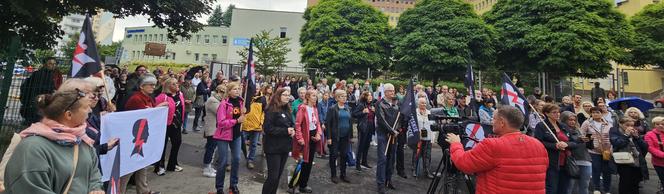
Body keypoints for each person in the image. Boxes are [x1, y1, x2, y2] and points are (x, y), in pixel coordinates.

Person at [4, 86, 103, 194]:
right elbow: (31, 188)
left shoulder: (83, 142)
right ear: (69, 115)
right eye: (86, 107)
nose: (90, 110)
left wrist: (95, 189)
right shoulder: (32, 148)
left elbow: (94, 173)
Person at [446, 106, 548, 193]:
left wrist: (456, 144)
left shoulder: (493, 145)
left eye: (494, 119)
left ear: (502, 123)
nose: (491, 122)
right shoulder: (538, 145)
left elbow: (464, 163)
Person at [121, 73, 163, 194]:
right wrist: (156, 109)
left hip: (143, 134)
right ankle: (119, 191)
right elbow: (140, 115)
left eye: (154, 85)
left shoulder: (149, 98)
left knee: (142, 163)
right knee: (129, 166)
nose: (153, 87)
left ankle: (143, 190)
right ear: (142, 86)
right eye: (150, 85)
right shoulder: (136, 98)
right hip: (134, 136)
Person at [534, 104, 579, 194]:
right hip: (551, 163)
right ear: (546, 113)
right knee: (552, 188)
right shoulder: (541, 126)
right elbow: (538, 142)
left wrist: (566, 144)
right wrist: (555, 146)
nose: (557, 114)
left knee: (563, 189)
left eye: (558, 112)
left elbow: (574, 142)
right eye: (554, 112)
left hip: (566, 163)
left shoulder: (563, 126)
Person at [261, 88, 295, 194]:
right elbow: (268, 128)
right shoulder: (271, 110)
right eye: (284, 95)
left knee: (278, 177)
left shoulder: (287, 109)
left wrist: (292, 130)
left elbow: (290, 124)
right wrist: (286, 131)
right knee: (273, 177)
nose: (287, 97)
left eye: (288, 95)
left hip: (284, 147)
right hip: (273, 147)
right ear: (278, 96)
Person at [213, 82, 244, 194]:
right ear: (229, 91)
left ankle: (233, 185)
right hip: (223, 136)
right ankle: (219, 187)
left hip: (236, 135)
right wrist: (236, 121)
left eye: (239, 89)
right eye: (235, 89)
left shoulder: (241, 102)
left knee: (236, 159)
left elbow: (242, 117)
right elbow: (221, 122)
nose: (237, 91)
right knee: (223, 161)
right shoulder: (224, 104)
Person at [292, 89, 323, 193]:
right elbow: (297, 124)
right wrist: (300, 138)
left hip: (313, 135)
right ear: (308, 97)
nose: (315, 97)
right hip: (305, 136)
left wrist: (318, 133)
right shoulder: (303, 108)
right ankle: (293, 185)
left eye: (316, 96)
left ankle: (303, 185)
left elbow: (317, 123)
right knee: (302, 161)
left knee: (309, 162)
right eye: (313, 95)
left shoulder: (315, 108)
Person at [154, 78, 186, 175]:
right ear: (168, 86)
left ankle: (172, 164)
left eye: (177, 83)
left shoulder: (180, 94)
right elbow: (155, 110)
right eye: (173, 84)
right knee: (162, 145)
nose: (177, 85)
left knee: (177, 142)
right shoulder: (162, 96)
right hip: (165, 124)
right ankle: (159, 166)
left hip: (176, 124)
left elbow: (182, 108)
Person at [374, 83, 402, 193]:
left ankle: (388, 180)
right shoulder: (379, 104)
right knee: (382, 159)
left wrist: (397, 130)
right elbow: (381, 120)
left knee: (391, 159)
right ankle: (380, 184)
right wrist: (391, 131)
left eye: (393, 90)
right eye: (390, 91)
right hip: (383, 135)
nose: (393, 92)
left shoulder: (396, 104)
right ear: (385, 92)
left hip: (393, 136)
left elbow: (399, 119)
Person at [610, 117, 648, 194]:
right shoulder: (614, 131)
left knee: (635, 184)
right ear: (620, 124)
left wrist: (637, 137)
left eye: (632, 125)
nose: (630, 127)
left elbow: (645, 147)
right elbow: (618, 143)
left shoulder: (635, 132)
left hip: (637, 160)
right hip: (623, 161)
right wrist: (626, 135)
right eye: (627, 125)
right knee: (625, 184)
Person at [579, 107, 613, 194]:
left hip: (607, 150)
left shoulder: (608, 123)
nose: (595, 114)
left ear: (601, 113)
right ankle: (596, 188)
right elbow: (581, 135)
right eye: (593, 112)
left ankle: (607, 189)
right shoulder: (587, 123)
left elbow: (611, 136)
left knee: (607, 171)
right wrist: (588, 138)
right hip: (593, 150)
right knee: (596, 169)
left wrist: (611, 149)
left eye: (597, 112)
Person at [19, 57, 62, 125]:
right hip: (37, 101)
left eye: (54, 64)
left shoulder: (50, 74)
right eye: (50, 63)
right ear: (45, 64)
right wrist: (52, 91)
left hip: (39, 101)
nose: (53, 65)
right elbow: (40, 87)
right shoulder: (41, 74)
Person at [325, 89, 354, 184]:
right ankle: (333, 175)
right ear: (337, 98)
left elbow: (350, 123)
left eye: (345, 96)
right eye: (342, 96)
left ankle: (343, 174)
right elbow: (328, 124)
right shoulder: (332, 109)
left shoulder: (348, 108)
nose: (344, 98)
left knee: (344, 155)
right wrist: (328, 137)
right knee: (333, 155)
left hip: (345, 137)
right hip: (334, 137)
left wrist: (351, 136)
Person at [560, 111, 592, 194]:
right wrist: (579, 140)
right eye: (570, 120)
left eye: (574, 120)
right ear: (564, 120)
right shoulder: (561, 131)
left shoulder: (578, 130)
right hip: (571, 160)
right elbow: (566, 144)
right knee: (569, 187)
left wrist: (589, 141)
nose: (573, 122)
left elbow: (585, 145)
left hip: (585, 159)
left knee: (584, 186)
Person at [242, 84, 270, 169]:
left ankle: (250, 160)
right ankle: (238, 158)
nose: (256, 90)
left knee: (253, 144)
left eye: (257, 89)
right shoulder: (246, 96)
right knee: (241, 143)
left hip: (256, 126)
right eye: (254, 89)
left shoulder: (262, 99)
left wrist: (261, 122)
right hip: (245, 125)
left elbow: (264, 112)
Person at [203, 85, 226, 178]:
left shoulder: (217, 100)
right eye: (223, 92)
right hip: (212, 128)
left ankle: (209, 166)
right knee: (210, 148)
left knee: (212, 148)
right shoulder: (212, 100)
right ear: (219, 91)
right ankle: (206, 168)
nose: (224, 95)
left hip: (216, 128)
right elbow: (220, 112)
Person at [412, 97, 434, 178]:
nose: (424, 104)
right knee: (416, 154)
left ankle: (426, 170)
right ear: (418, 104)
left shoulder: (429, 113)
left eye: (425, 103)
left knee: (427, 155)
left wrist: (432, 138)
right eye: (422, 103)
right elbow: (413, 125)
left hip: (428, 137)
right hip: (418, 138)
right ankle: (414, 169)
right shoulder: (415, 112)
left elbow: (433, 125)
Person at [353, 91, 376, 170]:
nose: (370, 97)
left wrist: (374, 111)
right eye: (368, 95)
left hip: (370, 126)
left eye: (371, 95)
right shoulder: (361, 104)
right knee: (361, 146)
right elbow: (354, 114)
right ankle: (357, 163)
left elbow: (373, 116)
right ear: (365, 97)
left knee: (367, 145)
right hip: (363, 127)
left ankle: (364, 161)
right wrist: (362, 112)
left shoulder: (371, 105)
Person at [645, 117, 664, 194]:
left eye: (663, 124)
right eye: (658, 124)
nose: (660, 126)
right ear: (654, 125)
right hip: (658, 162)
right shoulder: (649, 134)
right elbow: (650, 148)